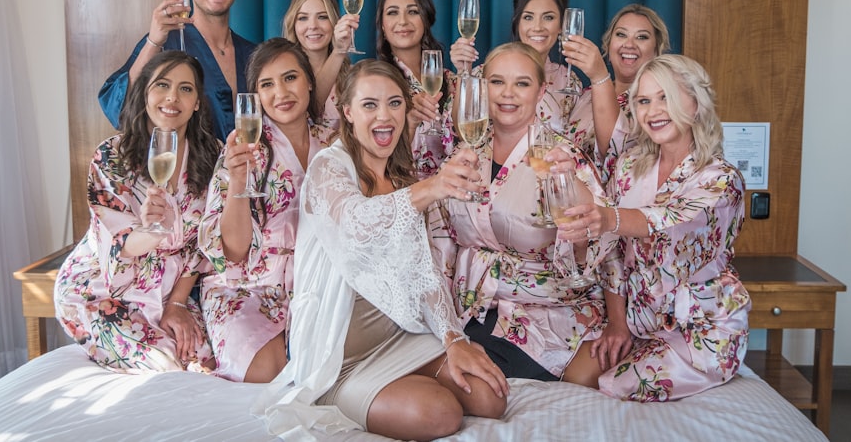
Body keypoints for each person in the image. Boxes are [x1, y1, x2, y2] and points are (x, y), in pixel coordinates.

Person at [260, 60, 508, 441]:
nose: (384, 115)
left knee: (492, 398)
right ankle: (343, 396)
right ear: (347, 111)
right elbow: (356, 222)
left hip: (401, 335)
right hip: (343, 360)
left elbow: (425, 272)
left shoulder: (400, 179)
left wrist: (454, 339)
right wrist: (432, 188)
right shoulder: (328, 168)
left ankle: (410, 380)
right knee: (440, 413)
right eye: (369, 105)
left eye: (394, 103)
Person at [432, 42, 630, 388]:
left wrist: (618, 323)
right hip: (470, 307)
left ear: (540, 92)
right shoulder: (465, 151)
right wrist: (441, 317)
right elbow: (442, 241)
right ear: (482, 88)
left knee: (479, 384)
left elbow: (606, 246)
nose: (508, 94)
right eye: (497, 82)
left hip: (544, 312)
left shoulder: (559, 158)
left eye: (522, 83)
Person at [555, 54, 750, 401]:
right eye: (644, 101)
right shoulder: (631, 166)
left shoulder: (722, 181)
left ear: (694, 102)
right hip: (637, 322)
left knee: (613, 386)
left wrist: (609, 217)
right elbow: (614, 251)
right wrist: (617, 324)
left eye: (666, 97)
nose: (654, 110)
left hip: (698, 330)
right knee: (576, 377)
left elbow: (668, 219)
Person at [55, 51, 219, 373]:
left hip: (171, 291)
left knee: (205, 364)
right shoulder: (111, 157)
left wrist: (177, 304)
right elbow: (119, 245)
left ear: (197, 102)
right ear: (145, 93)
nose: (173, 97)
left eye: (186, 89)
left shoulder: (213, 155)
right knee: (168, 366)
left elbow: (200, 244)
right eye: (162, 85)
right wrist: (148, 230)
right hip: (103, 288)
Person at [199, 39, 334, 383]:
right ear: (256, 96)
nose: (281, 93)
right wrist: (238, 183)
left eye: (290, 78)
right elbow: (233, 250)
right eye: (267, 84)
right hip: (246, 288)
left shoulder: (334, 143)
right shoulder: (243, 149)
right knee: (267, 370)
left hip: (313, 286)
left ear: (308, 82)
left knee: (322, 368)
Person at [99, 0, 256, 141]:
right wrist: (154, 42)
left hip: (245, 171)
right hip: (186, 170)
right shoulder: (165, 42)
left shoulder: (253, 54)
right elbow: (118, 111)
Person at [449, 0, 595, 152]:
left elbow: (574, 146)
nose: (538, 27)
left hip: (542, 171)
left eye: (548, 17)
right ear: (517, 24)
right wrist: (462, 71)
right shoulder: (484, 73)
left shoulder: (569, 82)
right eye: (528, 17)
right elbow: (461, 131)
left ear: (562, 26)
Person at [568, 3, 671, 174]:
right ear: (608, 45)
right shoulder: (586, 95)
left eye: (642, 37)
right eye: (621, 35)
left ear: (656, 50)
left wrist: (600, 76)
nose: (629, 44)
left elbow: (612, 153)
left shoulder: (658, 102)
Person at [375, 0, 455, 178]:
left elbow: (470, 138)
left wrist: (465, 69)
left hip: (454, 197)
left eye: (413, 11)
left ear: (425, 20)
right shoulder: (375, 82)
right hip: (405, 193)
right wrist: (410, 121)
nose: (403, 21)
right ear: (383, 26)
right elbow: (374, 158)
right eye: (393, 12)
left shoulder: (450, 80)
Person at [280, 0, 356, 135]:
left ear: (335, 22)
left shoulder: (353, 77)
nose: (313, 26)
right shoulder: (283, 77)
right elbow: (310, 110)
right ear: (293, 25)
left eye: (322, 17)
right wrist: (339, 51)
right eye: (303, 18)